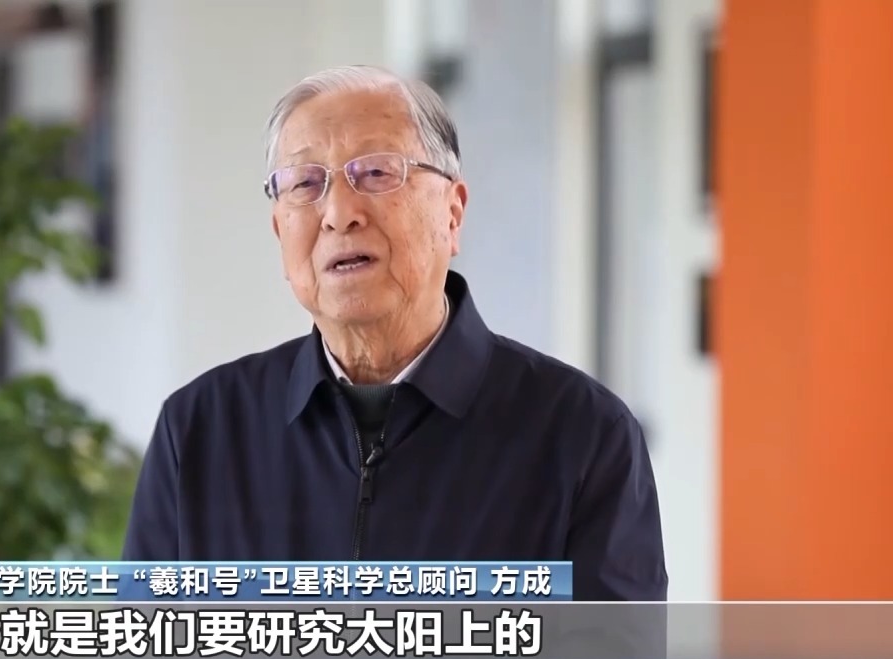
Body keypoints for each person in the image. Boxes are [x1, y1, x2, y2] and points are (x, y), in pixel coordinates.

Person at [121, 65, 668, 601]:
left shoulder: (583, 436)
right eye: (306, 183)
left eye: (377, 173)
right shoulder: (199, 430)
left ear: (452, 214)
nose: (339, 214)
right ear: (279, 230)